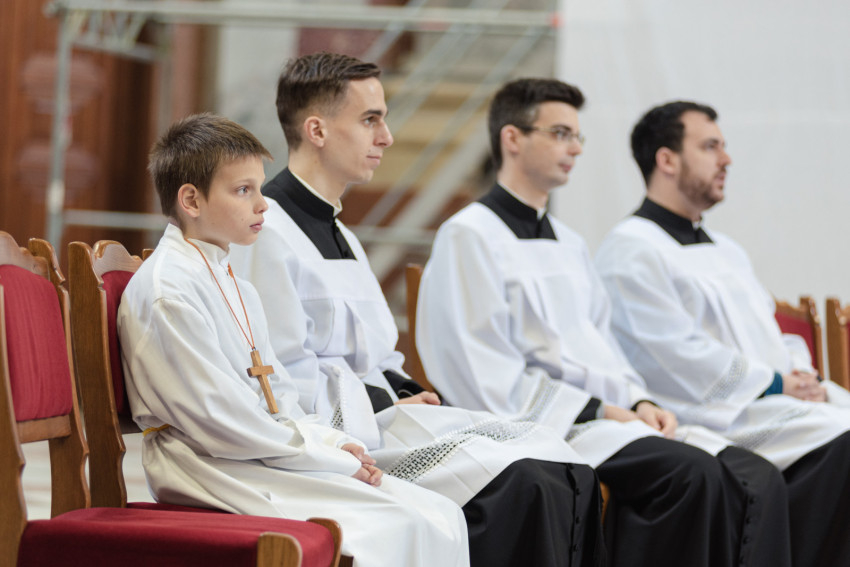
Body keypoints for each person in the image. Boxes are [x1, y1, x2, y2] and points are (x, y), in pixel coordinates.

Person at [230, 53, 605, 567]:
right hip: (338, 441)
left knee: (563, 464)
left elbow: (376, 354)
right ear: (317, 130)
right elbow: (280, 379)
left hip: (381, 418)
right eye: (370, 120)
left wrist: (406, 390)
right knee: (527, 481)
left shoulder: (343, 235)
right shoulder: (267, 232)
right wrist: (386, 400)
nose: (386, 137)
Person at [417, 79, 793, 567]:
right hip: (546, 422)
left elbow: (602, 345)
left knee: (742, 474)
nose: (575, 148)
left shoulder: (570, 243)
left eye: (577, 136)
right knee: (692, 476)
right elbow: (480, 370)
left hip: (603, 418)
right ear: (512, 139)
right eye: (560, 133)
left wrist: (639, 400)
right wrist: (598, 408)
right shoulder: (469, 235)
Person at [117, 113, 470, 567]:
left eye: (259, 188)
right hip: (208, 467)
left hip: (253, 454)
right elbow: (221, 420)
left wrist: (332, 442)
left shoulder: (231, 281)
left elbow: (277, 394)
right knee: (400, 524)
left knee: (440, 512)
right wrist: (329, 457)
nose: (263, 205)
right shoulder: (169, 291)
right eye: (243, 190)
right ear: (191, 200)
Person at [595, 100, 850, 566]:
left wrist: (800, 372)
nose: (726, 159)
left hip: (773, 402)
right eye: (711, 147)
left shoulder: (727, 249)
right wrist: (776, 382)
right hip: (715, 413)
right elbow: (673, 354)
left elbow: (769, 329)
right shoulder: (630, 249)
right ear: (667, 160)